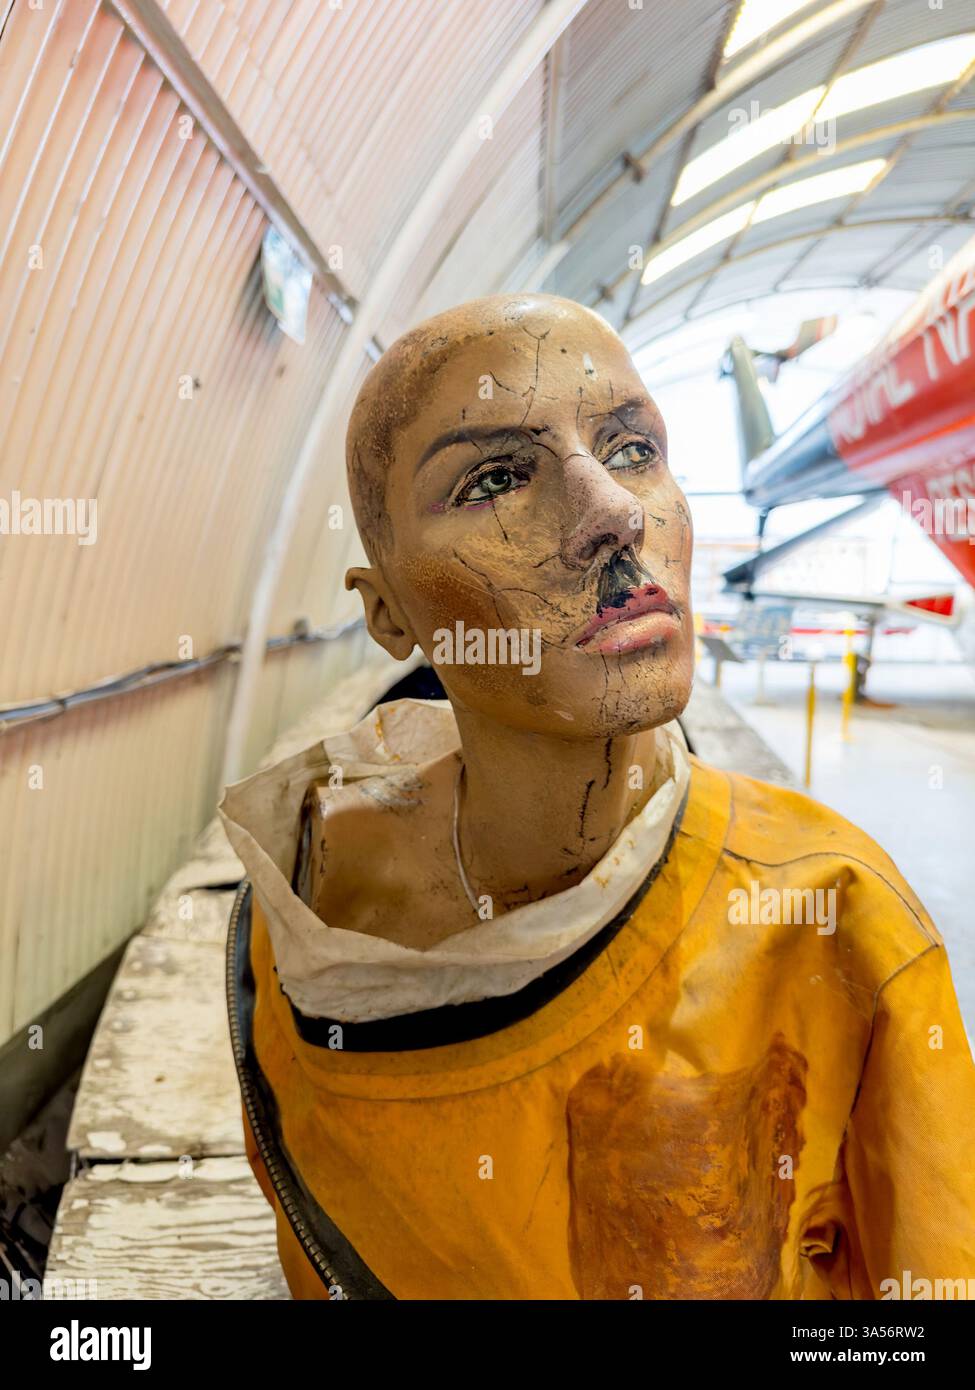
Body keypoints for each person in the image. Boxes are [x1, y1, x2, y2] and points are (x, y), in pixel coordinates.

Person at [220, 294, 975, 1301]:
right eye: (494, 479)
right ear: (388, 611)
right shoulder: (298, 913)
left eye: (631, 448)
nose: (615, 514)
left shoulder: (830, 914)